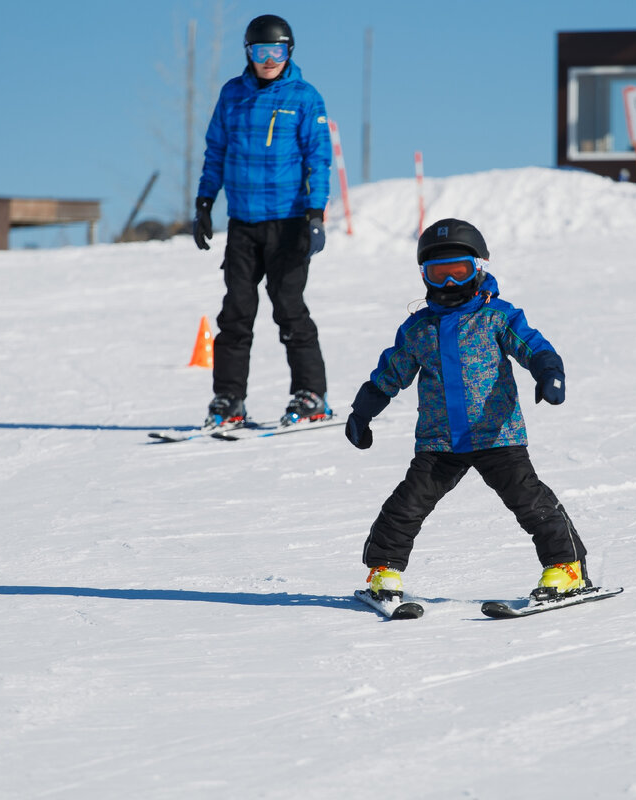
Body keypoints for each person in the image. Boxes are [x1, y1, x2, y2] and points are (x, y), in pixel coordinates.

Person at [343, 218, 591, 601]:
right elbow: (389, 373)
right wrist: (362, 412)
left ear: (478, 269)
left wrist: (549, 374)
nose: (448, 284)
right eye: (438, 274)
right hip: (439, 442)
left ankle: (567, 568)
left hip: (498, 435)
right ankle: (383, 571)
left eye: (458, 272)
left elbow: (534, 347)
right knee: (406, 506)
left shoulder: (498, 316)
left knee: (530, 502)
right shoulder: (418, 329)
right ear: (424, 276)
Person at [193, 13, 332, 429]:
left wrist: (316, 213)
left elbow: (318, 160)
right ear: (248, 53)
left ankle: (311, 396)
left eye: (277, 51)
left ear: (289, 52)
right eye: (260, 52)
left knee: (289, 309)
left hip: (289, 223)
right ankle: (228, 400)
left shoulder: (305, 98)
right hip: (243, 224)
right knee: (235, 313)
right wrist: (204, 202)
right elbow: (215, 151)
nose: (269, 60)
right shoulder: (232, 95)